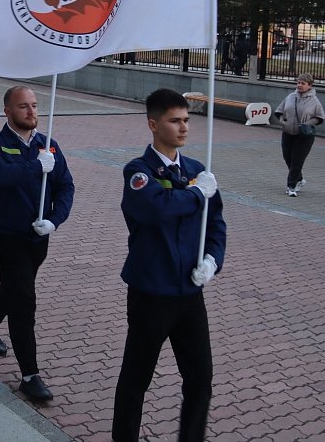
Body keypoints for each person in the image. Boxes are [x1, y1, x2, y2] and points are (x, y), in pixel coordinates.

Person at [113, 88, 227, 442]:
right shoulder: (139, 171)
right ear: (153, 124)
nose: (183, 128)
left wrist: (212, 260)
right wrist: (195, 194)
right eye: (174, 120)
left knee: (200, 378)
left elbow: (216, 223)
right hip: (152, 292)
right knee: (137, 378)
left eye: (186, 120)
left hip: (190, 293)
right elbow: (156, 208)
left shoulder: (197, 170)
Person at [0, 86, 74, 403]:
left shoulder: (50, 146)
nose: (32, 112)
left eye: (34, 106)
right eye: (23, 107)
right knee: (23, 300)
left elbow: (66, 187)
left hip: (37, 236)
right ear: (7, 111)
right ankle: (30, 376)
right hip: (7, 235)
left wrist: (54, 220)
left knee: (15, 286)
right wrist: (35, 166)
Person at [273, 73, 325, 197]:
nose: (299, 85)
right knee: (288, 158)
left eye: (303, 83)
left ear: (309, 86)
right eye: (298, 83)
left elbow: (319, 117)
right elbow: (279, 111)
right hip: (288, 132)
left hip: (303, 135)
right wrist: (282, 121)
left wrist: (307, 123)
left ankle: (291, 186)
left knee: (297, 160)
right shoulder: (290, 96)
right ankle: (300, 179)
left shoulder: (314, 101)